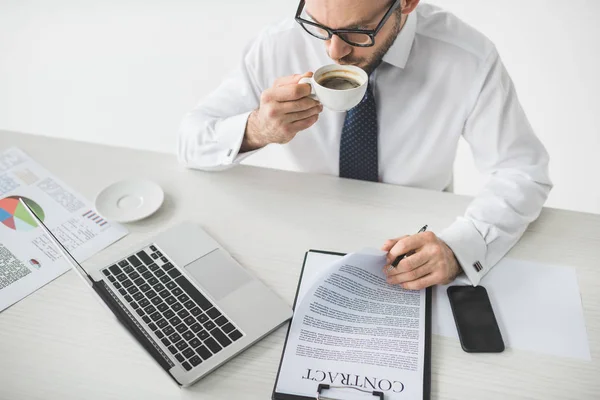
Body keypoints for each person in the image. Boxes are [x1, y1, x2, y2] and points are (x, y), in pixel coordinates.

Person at [178, 0, 552, 290]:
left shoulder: (468, 57)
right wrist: (257, 129)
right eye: (319, 25)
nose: (333, 51)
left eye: (358, 31)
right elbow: (190, 141)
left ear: (406, 4)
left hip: (419, 237)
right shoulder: (278, 45)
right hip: (305, 230)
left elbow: (522, 171)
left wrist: (460, 247)